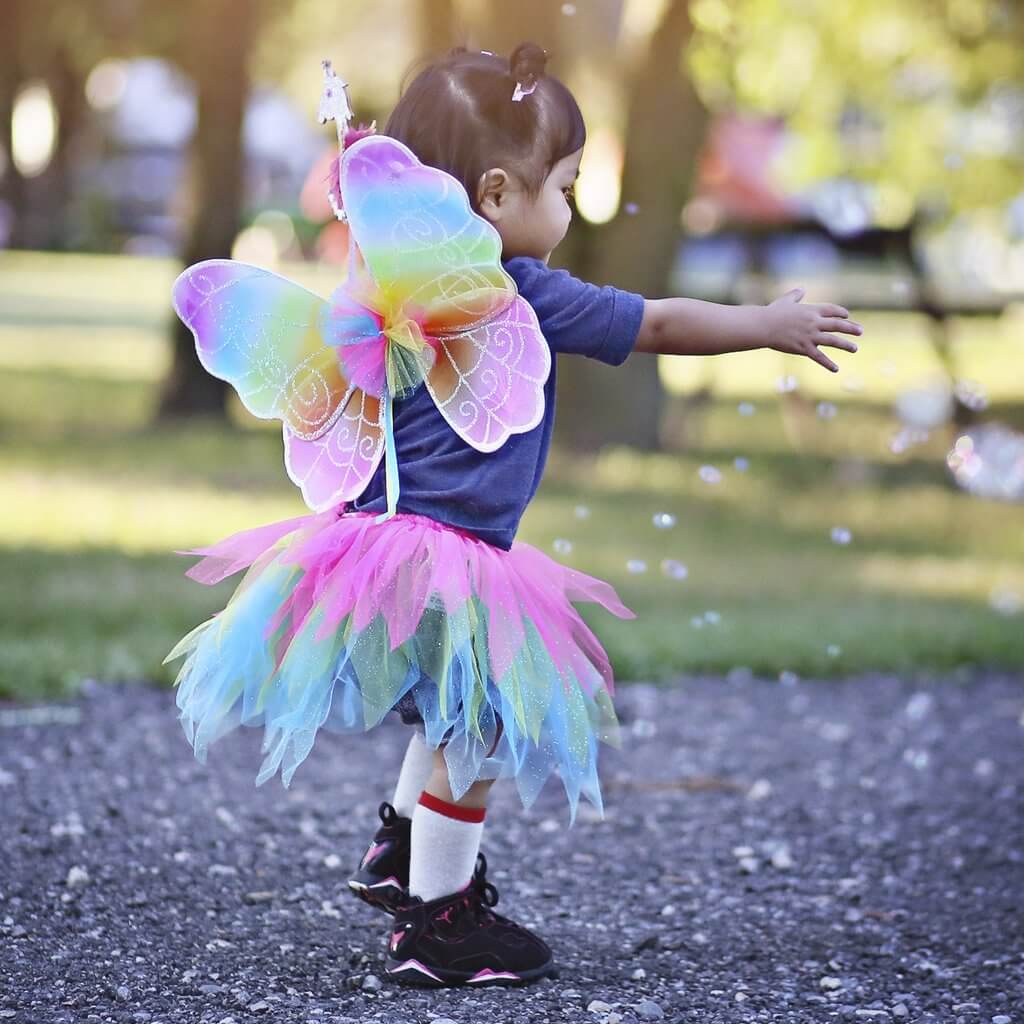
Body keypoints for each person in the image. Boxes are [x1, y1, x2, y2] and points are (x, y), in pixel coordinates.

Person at [165, 42, 862, 990]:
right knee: (481, 722)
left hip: (372, 544)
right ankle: (440, 926)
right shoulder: (518, 291)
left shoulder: (381, 292)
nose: (570, 210)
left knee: (452, 713)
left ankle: (405, 851)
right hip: (452, 557)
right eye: (566, 187)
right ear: (495, 195)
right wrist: (763, 327)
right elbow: (654, 324)